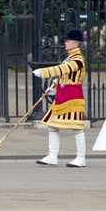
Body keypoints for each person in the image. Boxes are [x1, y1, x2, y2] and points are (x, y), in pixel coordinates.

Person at [32, 27, 86, 167]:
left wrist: (43, 72)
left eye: (68, 41)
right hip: (63, 96)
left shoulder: (78, 59)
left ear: (76, 44)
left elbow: (62, 70)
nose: (65, 43)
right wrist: (54, 89)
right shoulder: (69, 58)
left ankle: (81, 158)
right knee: (52, 124)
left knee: (76, 127)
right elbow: (63, 77)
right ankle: (52, 155)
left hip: (73, 97)